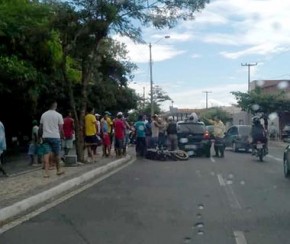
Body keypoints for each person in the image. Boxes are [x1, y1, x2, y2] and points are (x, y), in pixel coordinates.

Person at [39, 101, 65, 178]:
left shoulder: (44, 115)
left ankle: (46, 173)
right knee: (57, 154)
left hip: (45, 137)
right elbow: (60, 128)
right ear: (55, 106)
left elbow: (40, 127)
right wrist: (62, 136)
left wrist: (40, 137)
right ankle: (58, 170)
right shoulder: (58, 115)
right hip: (55, 137)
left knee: (46, 154)